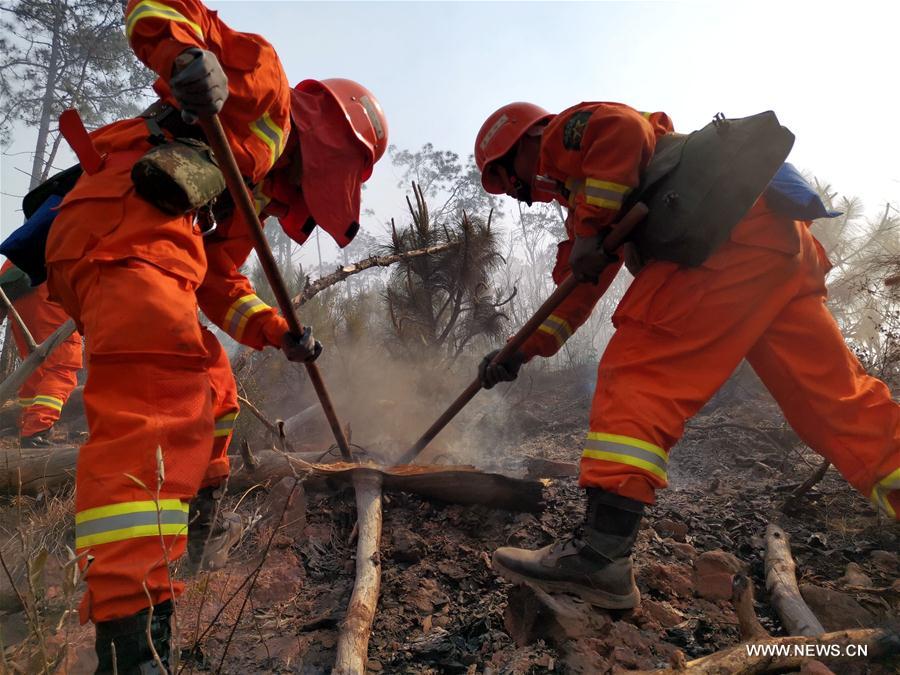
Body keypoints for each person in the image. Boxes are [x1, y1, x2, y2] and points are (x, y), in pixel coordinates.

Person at [41, 0, 388, 670]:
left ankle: (196, 532)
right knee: (154, 409)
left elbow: (219, 283)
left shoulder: (247, 198)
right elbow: (165, 8)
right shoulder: (263, 80)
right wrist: (185, 58)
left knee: (216, 391)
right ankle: (133, 636)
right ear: (330, 144)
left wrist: (280, 331)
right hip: (123, 227)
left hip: (144, 250)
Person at [473, 101, 900, 610]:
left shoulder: (564, 134)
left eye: (511, 182)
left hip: (727, 243)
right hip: (777, 244)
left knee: (637, 374)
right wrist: (520, 351)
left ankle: (601, 554)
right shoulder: (592, 194)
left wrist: (589, 230)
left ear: (520, 140)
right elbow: (577, 286)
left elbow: (621, 129)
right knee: (836, 403)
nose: (524, 195)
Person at [0, 260, 82, 447]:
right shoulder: (66, 233)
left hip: (18, 297)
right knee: (63, 364)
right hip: (46, 291)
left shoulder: (33, 235)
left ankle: (28, 424)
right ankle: (36, 430)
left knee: (34, 366)